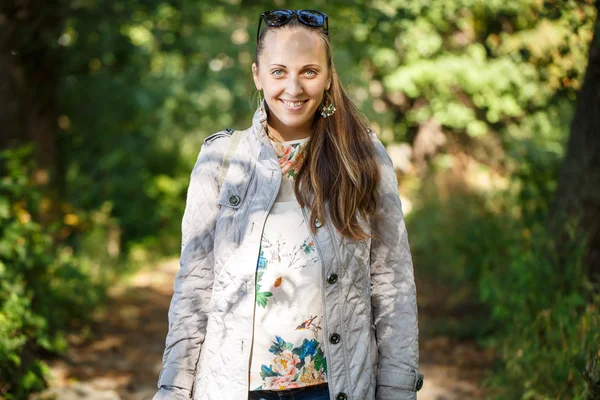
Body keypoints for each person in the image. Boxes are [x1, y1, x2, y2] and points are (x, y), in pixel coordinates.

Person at [153, 9, 423, 400]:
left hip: (334, 388)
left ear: (329, 77)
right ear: (257, 75)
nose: (293, 87)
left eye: (309, 71)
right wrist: (173, 389)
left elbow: (392, 283)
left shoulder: (363, 157)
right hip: (235, 389)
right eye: (278, 71)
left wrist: (398, 388)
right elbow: (194, 288)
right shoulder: (221, 161)